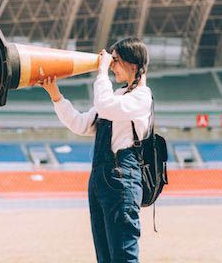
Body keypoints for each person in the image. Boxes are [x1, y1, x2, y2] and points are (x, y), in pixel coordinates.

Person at [40, 37, 153, 263]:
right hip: (102, 178)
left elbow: (105, 106)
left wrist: (101, 73)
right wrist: (56, 96)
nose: (112, 66)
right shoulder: (118, 96)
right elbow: (81, 124)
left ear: (133, 64)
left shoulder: (142, 96)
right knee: (105, 257)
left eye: (116, 60)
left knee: (123, 255)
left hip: (122, 177)